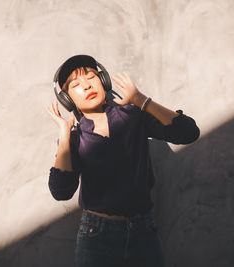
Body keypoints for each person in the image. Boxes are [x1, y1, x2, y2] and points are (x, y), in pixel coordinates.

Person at [46, 55, 200, 267]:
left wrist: (142, 100)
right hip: (97, 237)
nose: (87, 85)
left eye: (91, 77)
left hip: (144, 232)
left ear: (104, 81)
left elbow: (188, 133)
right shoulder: (74, 139)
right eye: (76, 84)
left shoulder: (133, 115)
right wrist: (64, 135)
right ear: (67, 99)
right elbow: (61, 191)